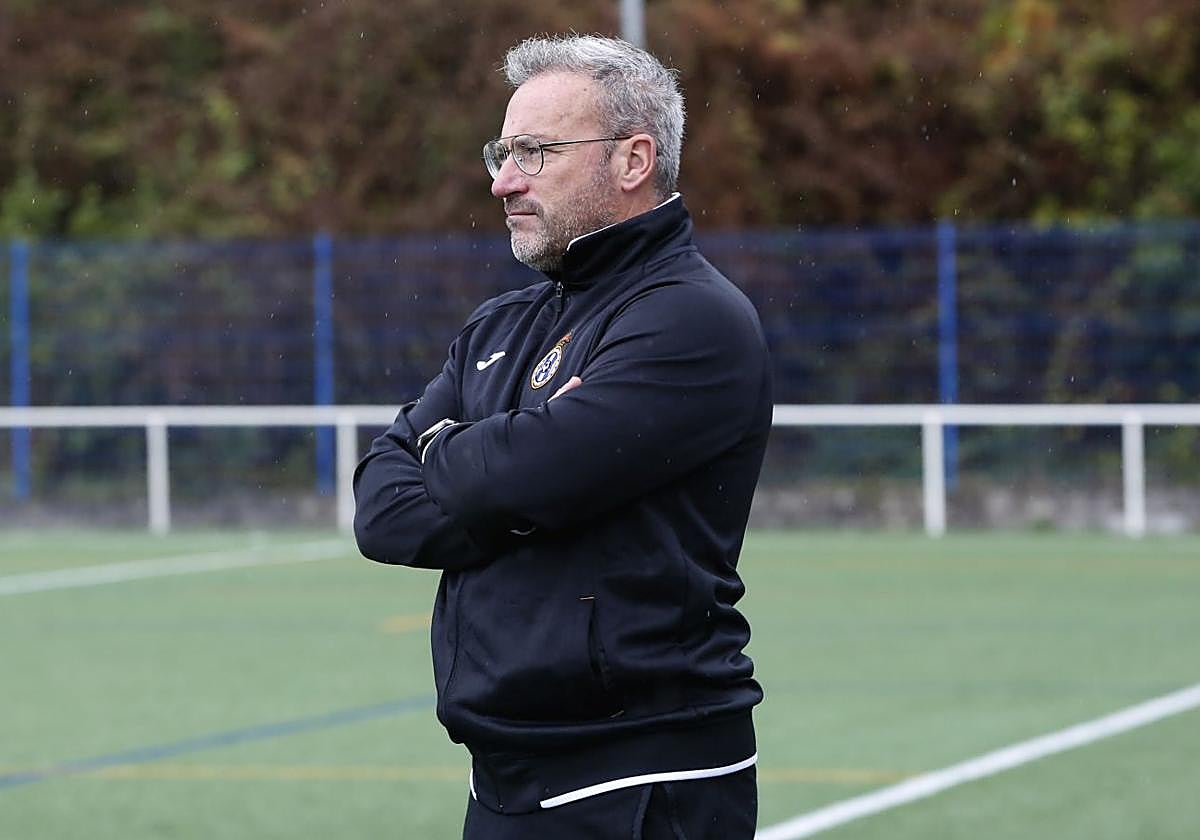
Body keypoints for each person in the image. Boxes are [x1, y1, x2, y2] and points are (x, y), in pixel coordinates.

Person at [353, 33, 772, 839]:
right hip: (504, 776)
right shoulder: (500, 324)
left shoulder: (691, 319)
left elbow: (503, 479)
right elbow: (383, 509)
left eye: (536, 152)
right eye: (502, 152)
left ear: (633, 160)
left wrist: (451, 452)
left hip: (645, 776)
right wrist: (508, 463)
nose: (503, 180)